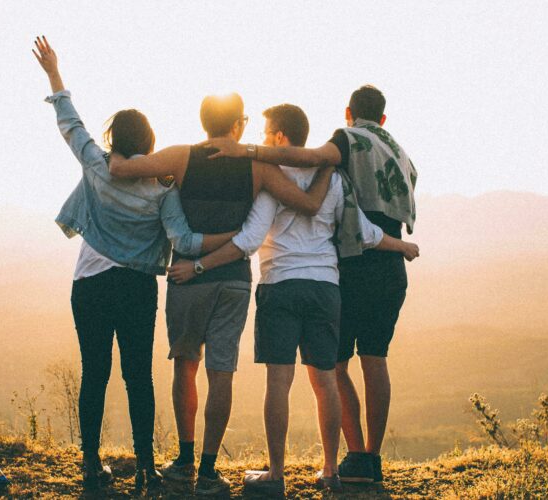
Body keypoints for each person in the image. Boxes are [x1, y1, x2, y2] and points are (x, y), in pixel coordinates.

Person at [169, 104, 419, 495]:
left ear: (281, 137)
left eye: (268, 133)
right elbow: (363, 231)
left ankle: (277, 474)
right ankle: (331, 471)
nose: (264, 139)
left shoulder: (273, 179)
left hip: (281, 286)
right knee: (325, 382)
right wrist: (401, 245)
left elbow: (249, 240)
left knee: (279, 382)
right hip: (326, 288)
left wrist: (198, 265)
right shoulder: (333, 179)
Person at [32, 37, 237, 492]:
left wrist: (54, 73)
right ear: (150, 143)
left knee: (95, 373)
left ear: (113, 140)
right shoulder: (162, 190)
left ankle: (91, 464)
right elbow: (182, 240)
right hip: (137, 288)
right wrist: (235, 239)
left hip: (89, 282)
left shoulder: (97, 166)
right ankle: (145, 466)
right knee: (138, 376)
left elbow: (70, 124)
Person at [108, 94, 333, 495]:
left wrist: (115, 153)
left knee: (185, 365)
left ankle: (184, 460)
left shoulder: (180, 157)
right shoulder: (257, 167)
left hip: (186, 279)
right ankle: (209, 471)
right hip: (233, 280)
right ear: (238, 127)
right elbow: (308, 204)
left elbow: (125, 169)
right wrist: (330, 164)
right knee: (221, 372)